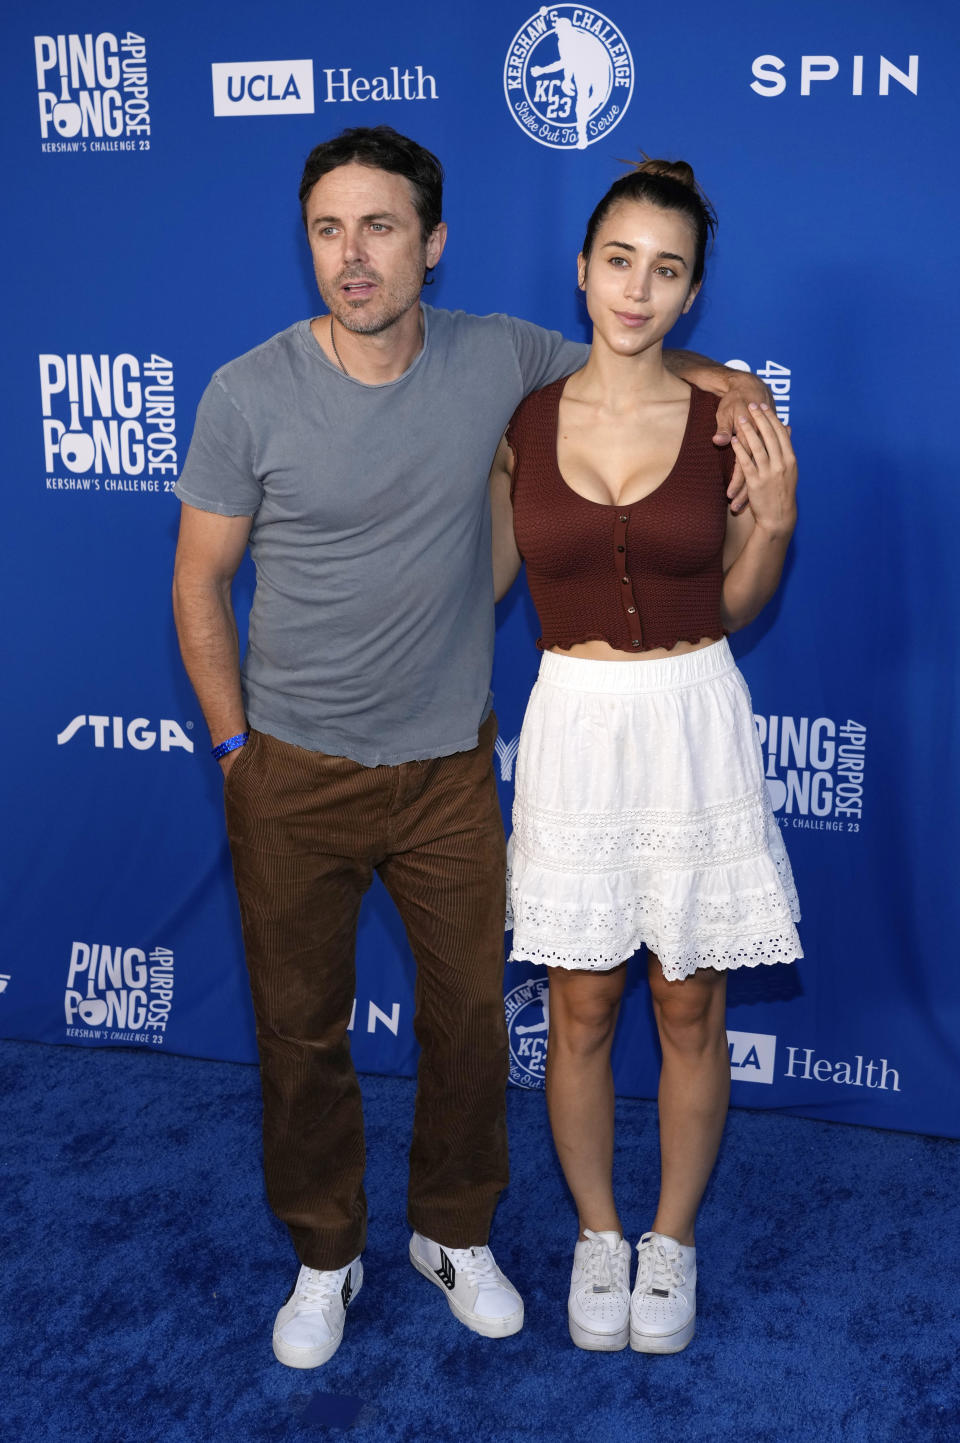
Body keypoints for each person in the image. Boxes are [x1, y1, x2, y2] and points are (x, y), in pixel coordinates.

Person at [171, 125, 771, 1370]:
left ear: (431, 245)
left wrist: (741, 387)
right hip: (290, 765)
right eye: (330, 230)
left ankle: (452, 1233)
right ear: (309, 245)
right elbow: (199, 580)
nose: (354, 256)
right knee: (300, 1033)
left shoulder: (505, 360)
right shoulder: (246, 391)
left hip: (452, 768)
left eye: (381, 228)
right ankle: (326, 1254)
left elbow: (641, 352)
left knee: (472, 1028)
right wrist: (236, 749)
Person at [489, 157, 801, 1355]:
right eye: (619, 259)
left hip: (690, 717)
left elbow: (739, 593)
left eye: (665, 269)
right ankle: (598, 1234)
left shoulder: (733, 411)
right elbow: (478, 585)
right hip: (572, 719)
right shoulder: (522, 417)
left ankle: (670, 1241)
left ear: (690, 291)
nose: (637, 286)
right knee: (578, 1000)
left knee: (687, 997)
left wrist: (773, 525)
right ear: (582, 270)